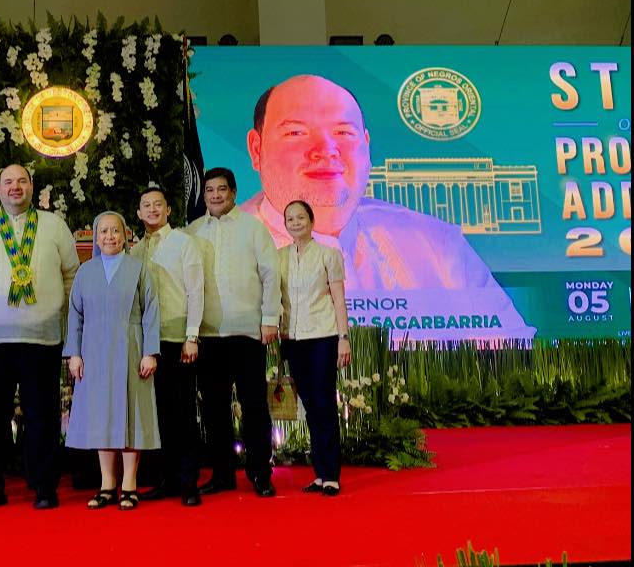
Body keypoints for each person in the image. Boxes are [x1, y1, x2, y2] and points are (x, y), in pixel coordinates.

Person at [241, 74, 534, 339]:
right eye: (296, 133)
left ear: (367, 147)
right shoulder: (213, 252)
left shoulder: (436, 243)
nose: (327, 150)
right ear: (257, 149)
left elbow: (514, 358)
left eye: (344, 133)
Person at [0, 164, 80, 511]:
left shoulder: (54, 225)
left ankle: (44, 485)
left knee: (42, 415)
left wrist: (66, 324)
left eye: (22, 181)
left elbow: (71, 275)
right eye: (8, 182)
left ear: (32, 186)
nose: (16, 187)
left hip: (41, 338)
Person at [186, 167, 281, 498]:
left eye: (221, 189)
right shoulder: (193, 231)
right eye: (209, 190)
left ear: (234, 192)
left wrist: (270, 317)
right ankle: (222, 473)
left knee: (254, 404)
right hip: (208, 334)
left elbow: (271, 275)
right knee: (213, 407)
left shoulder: (254, 229)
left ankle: (260, 472)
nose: (214, 195)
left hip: (247, 331)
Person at [65, 211, 161, 511]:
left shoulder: (139, 269)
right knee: (101, 417)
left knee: (131, 415)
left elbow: (151, 312)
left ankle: (129, 484)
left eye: (115, 231)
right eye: (103, 231)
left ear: (125, 234)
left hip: (131, 350)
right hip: (93, 353)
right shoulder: (85, 272)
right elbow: (75, 315)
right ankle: (107, 484)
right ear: (96, 236)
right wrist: (74, 353)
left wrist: (150, 352)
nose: (109, 236)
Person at [129, 187, 205, 507]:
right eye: (146, 205)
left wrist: (192, 336)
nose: (152, 209)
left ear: (169, 210)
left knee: (182, 412)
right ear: (139, 213)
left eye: (158, 204)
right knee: (155, 414)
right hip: (147, 344)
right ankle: (164, 479)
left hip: (177, 340)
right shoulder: (134, 251)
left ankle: (188, 482)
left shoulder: (183, 243)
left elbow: (196, 291)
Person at [279, 199, 351, 497]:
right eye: (290, 219)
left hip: (323, 336)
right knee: (309, 407)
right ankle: (319, 474)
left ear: (311, 220)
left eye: (300, 217)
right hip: (292, 339)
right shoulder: (278, 257)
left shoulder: (328, 254)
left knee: (324, 404)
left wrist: (343, 337)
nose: (295, 223)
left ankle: (332, 474)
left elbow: (338, 299)